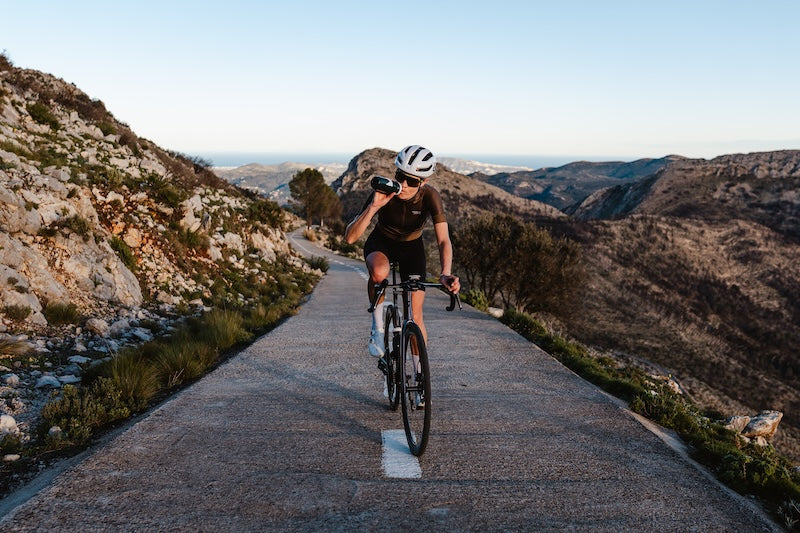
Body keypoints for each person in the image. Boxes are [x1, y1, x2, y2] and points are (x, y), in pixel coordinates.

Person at [344, 145, 460, 357]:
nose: (404, 185)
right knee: (379, 273)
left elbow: (443, 240)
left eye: (412, 181)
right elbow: (350, 238)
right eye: (400, 176)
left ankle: (418, 376)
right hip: (382, 242)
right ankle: (377, 328)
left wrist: (445, 273)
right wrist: (374, 207)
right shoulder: (384, 192)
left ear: (423, 182)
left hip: (412, 249)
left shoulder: (430, 196)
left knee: (415, 317)